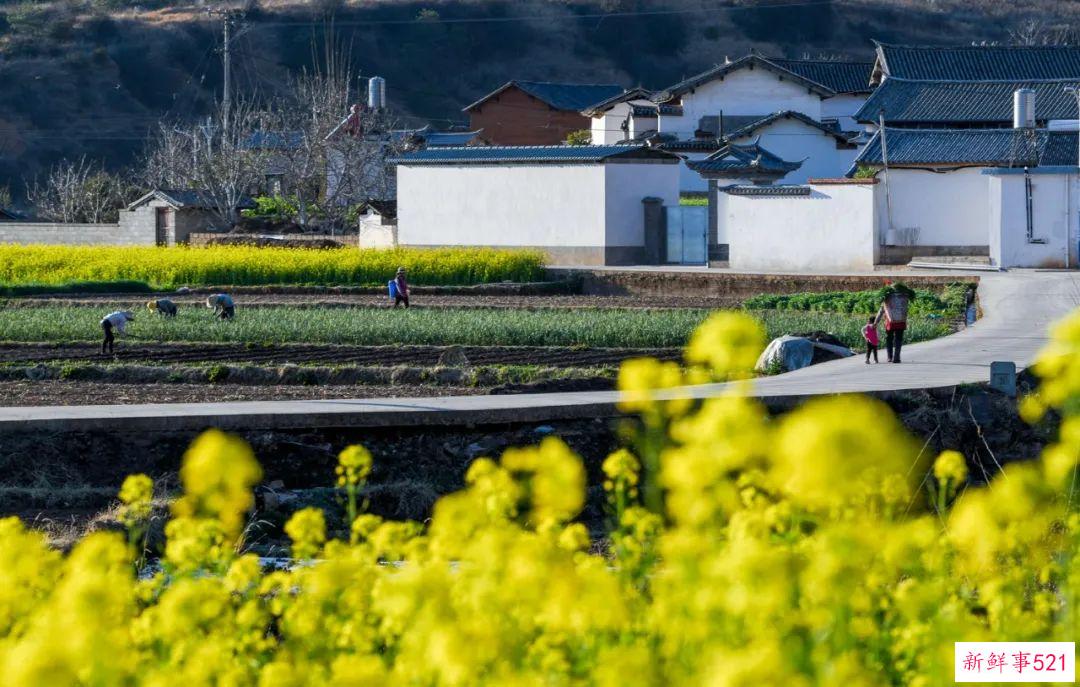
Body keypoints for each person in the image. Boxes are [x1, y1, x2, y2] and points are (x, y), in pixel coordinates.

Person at [875, 285, 911, 364]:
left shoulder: (887, 298)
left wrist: (876, 322)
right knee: (898, 339)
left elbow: (881, 311)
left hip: (890, 322)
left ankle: (889, 357)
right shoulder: (904, 297)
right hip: (901, 321)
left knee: (889, 339)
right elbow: (905, 309)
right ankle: (897, 357)